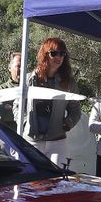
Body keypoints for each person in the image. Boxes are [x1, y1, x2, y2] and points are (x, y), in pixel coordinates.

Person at [25, 37, 82, 165]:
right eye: (53, 53)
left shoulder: (69, 82)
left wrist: (67, 124)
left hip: (58, 142)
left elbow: (75, 110)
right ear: (44, 55)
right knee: (33, 182)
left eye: (62, 53)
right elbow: (18, 105)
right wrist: (24, 123)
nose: (58, 57)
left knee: (56, 181)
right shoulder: (29, 79)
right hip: (32, 141)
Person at [0, 51, 23, 130]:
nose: (21, 69)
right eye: (18, 66)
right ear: (10, 67)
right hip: (7, 136)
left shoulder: (29, 88)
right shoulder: (1, 89)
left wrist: (12, 107)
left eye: (23, 66)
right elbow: (3, 113)